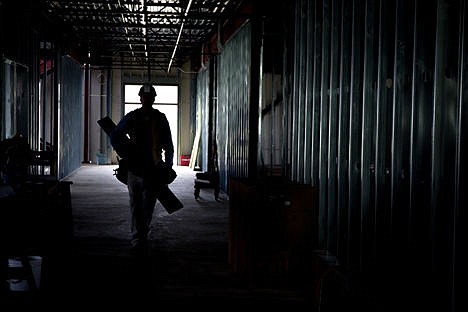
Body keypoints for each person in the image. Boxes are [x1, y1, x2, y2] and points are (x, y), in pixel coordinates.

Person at [110, 83, 174, 254]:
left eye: (148, 97)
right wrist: (168, 166)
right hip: (143, 169)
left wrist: (123, 151)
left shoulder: (136, 117)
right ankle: (140, 237)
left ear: (148, 98)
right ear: (144, 98)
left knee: (139, 205)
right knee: (143, 205)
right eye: (146, 97)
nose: (146, 100)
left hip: (145, 169)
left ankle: (138, 237)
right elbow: (168, 144)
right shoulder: (158, 118)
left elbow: (115, 135)